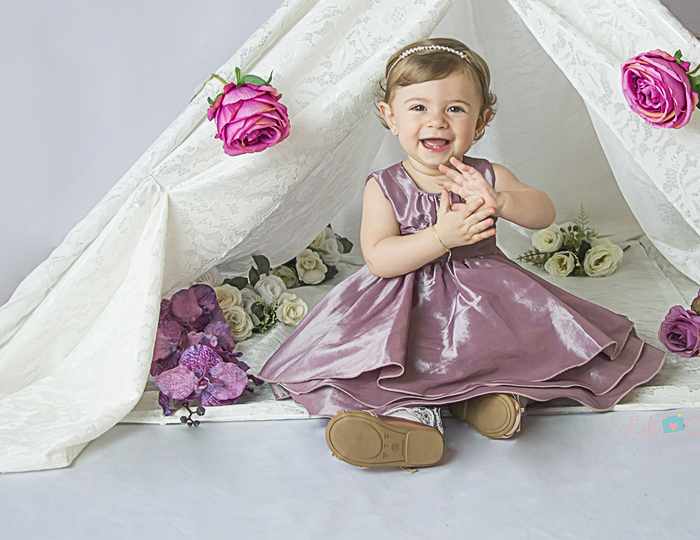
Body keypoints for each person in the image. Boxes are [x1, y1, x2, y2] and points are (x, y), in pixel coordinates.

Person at [257, 38, 666, 468]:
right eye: (418, 108)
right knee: (396, 366)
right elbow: (379, 257)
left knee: (503, 351)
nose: (436, 121)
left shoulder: (485, 174)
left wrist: (501, 201)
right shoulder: (384, 185)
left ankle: (483, 400)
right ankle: (410, 425)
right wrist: (440, 237)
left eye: (455, 108)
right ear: (390, 117)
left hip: (481, 296)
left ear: (482, 121)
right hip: (400, 304)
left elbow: (543, 211)